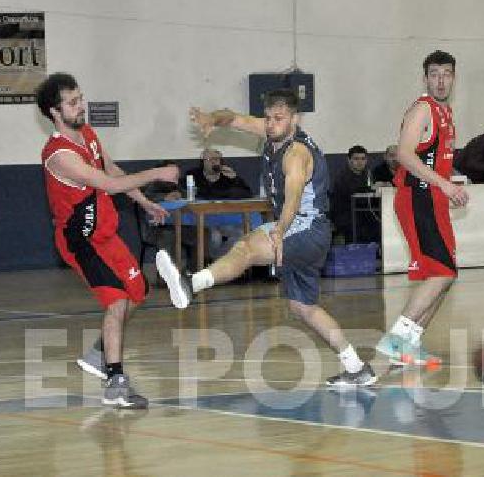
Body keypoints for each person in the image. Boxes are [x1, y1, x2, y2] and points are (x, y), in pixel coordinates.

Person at [157, 88, 377, 387]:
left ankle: (191, 283)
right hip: (307, 231)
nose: (271, 124)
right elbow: (234, 119)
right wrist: (212, 118)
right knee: (304, 308)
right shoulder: (272, 131)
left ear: (295, 119)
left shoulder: (296, 153)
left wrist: (280, 230)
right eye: (269, 118)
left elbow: (294, 198)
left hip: (304, 227)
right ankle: (357, 367)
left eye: (279, 118)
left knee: (245, 248)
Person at [37, 72, 179, 408]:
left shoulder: (87, 134)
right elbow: (107, 184)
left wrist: (144, 201)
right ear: (55, 112)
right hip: (80, 241)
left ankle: (99, 353)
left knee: (137, 293)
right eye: (73, 103)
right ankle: (115, 382)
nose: (81, 106)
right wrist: (157, 173)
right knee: (116, 302)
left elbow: (112, 170)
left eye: (80, 98)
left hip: (106, 233)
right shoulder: (59, 155)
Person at [375, 50, 469, 366]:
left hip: (432, 198)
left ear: (454, 77)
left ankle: (409, 345)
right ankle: (396, 340)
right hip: (418, 198)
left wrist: (448, 185)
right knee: (443, 272)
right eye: (434, 74)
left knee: (444, 274)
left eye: (446, 74)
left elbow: (434, 160)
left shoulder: (445, 113)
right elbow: (403, 154)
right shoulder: (423, 109)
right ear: (425, 77)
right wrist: (443, 185)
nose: (441, 80)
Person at [330, 145, 378, 243]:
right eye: (356, 159)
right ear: (349, 160)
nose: (360, 162)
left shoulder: (367, 174)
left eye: (363, 159)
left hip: (363, 211)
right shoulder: (342, 177)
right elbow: (352, 194)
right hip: (345, 214)